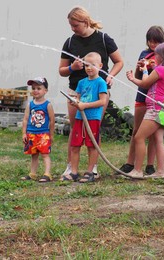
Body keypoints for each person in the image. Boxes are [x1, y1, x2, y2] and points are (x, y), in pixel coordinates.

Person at [59, 6, 123, 179]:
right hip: (76, 91)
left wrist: (110, 76)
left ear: (85, 22)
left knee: (93, 128)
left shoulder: (104, 39)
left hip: (97, 92)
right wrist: (72, 67)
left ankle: (92, 168)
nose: (73, 29)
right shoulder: (70, 42)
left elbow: (119, 62)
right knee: (75, 128)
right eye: (71, 26)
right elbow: (61, 70)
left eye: (75, 25)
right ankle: (71, 168)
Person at [119, 26, 164, 175]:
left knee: (153, 134)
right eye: (150, 41)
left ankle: (150, 165)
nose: (153, 45)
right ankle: (130, 162)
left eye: (156, 42)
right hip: (142, 95)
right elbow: (139, 78)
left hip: (156, 100)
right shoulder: (144, 54)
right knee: (137, 131)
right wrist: (140, 67)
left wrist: (153, 67)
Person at [126, 42, 164, 178]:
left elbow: (145, 83)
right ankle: (161, 171)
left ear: (162, 56)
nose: (154, 57)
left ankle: (137, 170)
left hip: (155, 109)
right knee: (158, 140)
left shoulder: (160, 70)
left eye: (157, 55)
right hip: (162, 109)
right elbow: (149, 77)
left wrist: (132, 79)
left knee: (139, 137)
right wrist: (145, 69)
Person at [62, 52, 108, 182]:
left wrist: (85, 105)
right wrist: (75, 102)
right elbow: (78, 98)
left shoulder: (101, 83)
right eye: (87, 65)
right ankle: (74, 172)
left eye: (92, 65)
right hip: (79, 118)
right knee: (75, 145)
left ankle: (90, 172)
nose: (89, 68)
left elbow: (102, 101)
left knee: (92, 146)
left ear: (100, 66)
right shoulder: (81, 82)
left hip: (92, 118)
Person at [21, 77, 55, 182]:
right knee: (34, 155)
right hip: (31, 134)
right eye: (33, 88)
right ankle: (32, 173)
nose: (35, 90)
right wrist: (24, 133)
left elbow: (52, 120)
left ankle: (47, 173)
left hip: (43, 134)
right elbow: (25, 119)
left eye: (39, 88)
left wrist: (51, 134)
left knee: (45, 154)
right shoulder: (30, 104)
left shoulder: (47, 105)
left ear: (45, 91)